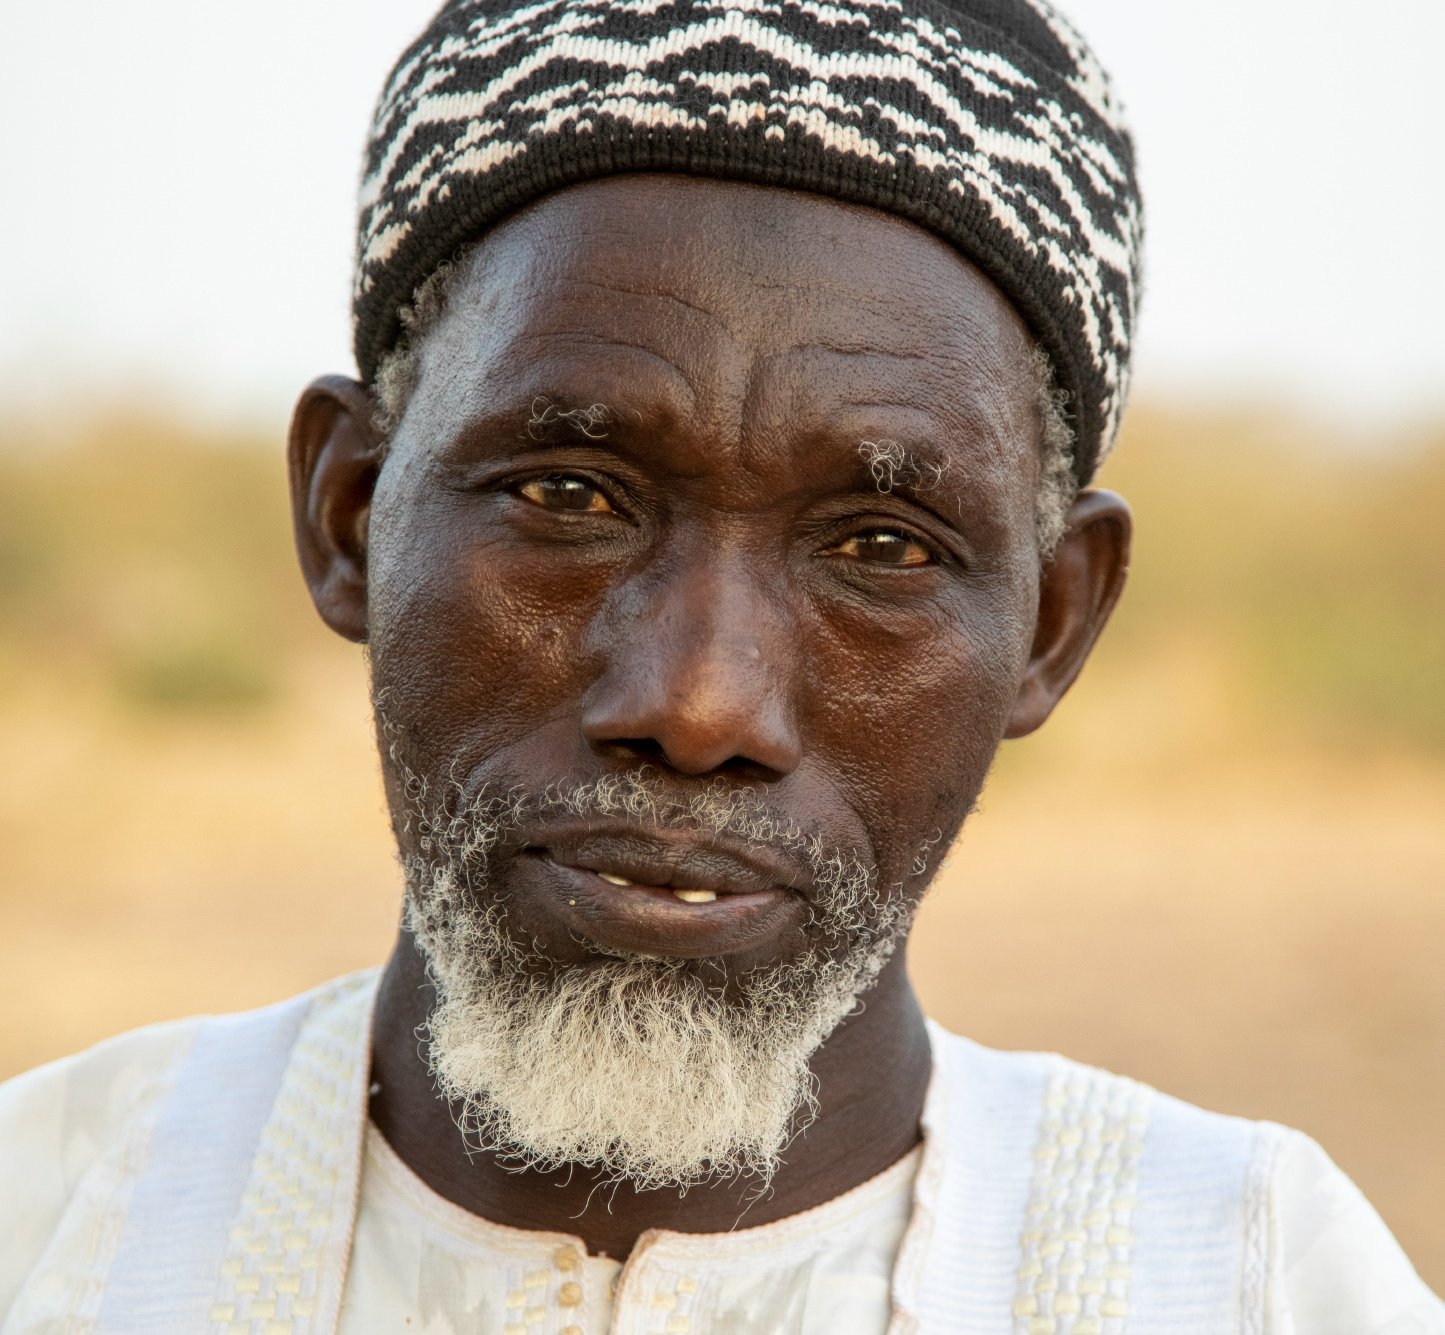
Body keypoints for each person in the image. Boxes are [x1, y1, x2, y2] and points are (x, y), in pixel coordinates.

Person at [2, 1, 1440, 1330]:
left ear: (1052, 624)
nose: (695, 708)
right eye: (567, 495)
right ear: (352, 518)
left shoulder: (1250, 1279)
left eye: (880, 545)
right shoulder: (50, 1225)